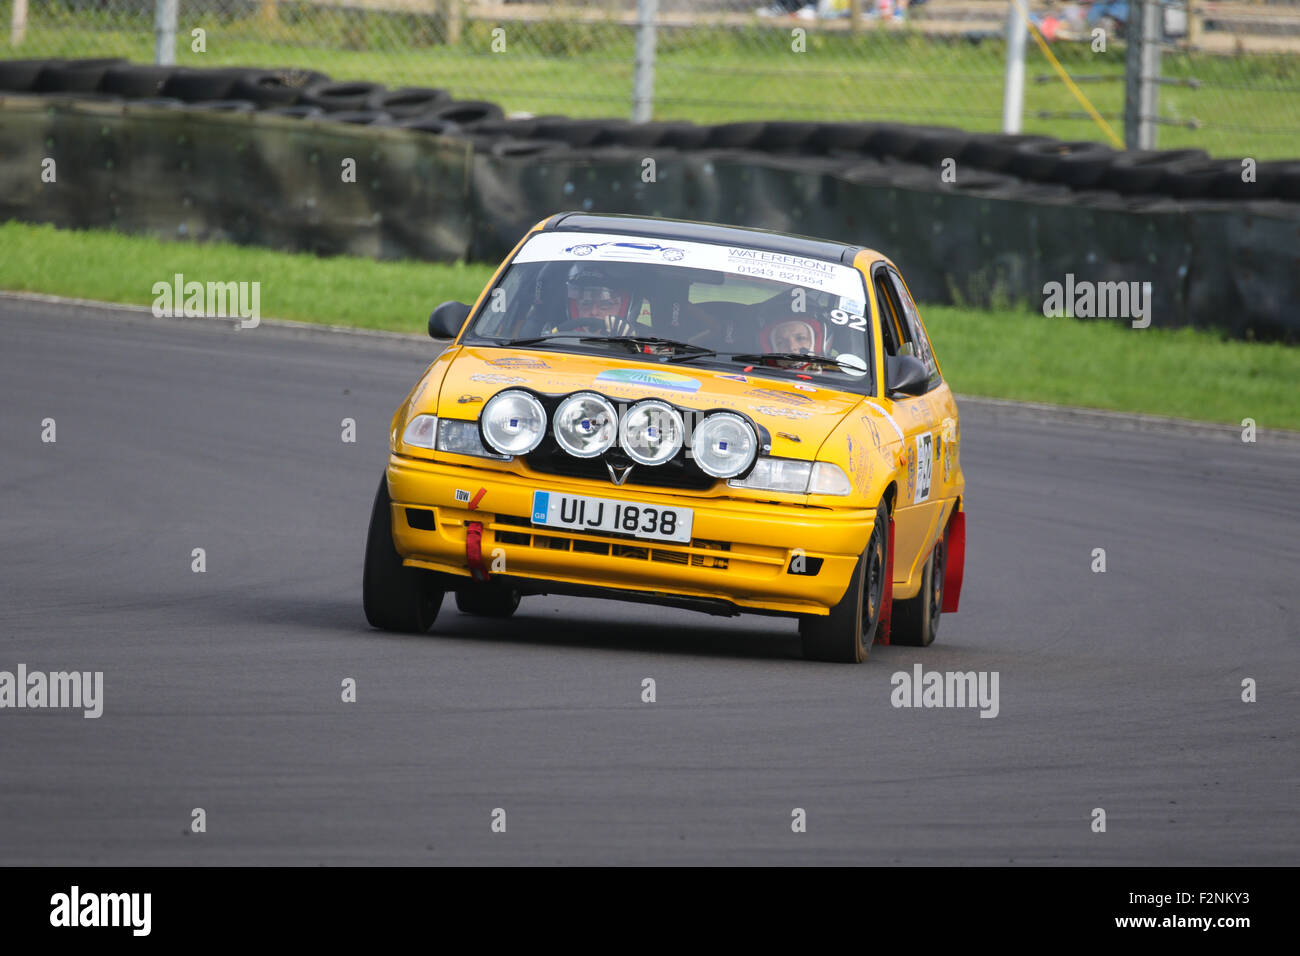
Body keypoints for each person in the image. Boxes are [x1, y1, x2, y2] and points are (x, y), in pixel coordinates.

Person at [565, 265, 637, 335]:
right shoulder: (558, 339)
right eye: (586, 304)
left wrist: (627, 341)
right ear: (576, 308)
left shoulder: (643, 339)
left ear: (623, 308)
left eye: (605, 305)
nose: (594, 312)